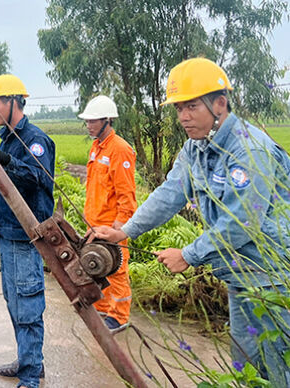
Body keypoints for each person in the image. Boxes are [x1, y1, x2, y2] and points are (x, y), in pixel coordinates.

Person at [92, 58, 290, 386]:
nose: (183, 116)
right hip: (240, 276)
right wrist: (123, 231)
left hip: (273, 278)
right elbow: (170, 193)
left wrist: (189, 254)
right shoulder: (196, 148)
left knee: (277, 369)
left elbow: (242, 220)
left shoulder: (248, 150)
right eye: (179, 108)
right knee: (247, 368)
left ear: (220, 104)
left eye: (192, 106)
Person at [0, 74, 55, 388]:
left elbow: (37, 179)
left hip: (28, 237)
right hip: (9, 233)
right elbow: (5, 190)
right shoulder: (8, 139)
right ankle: (27, 361)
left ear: (15, 101)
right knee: (13, 301)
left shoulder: (35, 140)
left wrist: (7, 161)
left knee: (27, 303)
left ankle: (30, 377)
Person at [78, 95, 137, 333]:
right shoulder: (96, 147)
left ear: (107, 120)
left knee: (117, 270)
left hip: (112, 224)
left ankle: (120, 316)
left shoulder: (120, 150)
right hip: (94, 221)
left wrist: (118, 229)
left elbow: (126, 196)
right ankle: (103, 309)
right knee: (97, 267)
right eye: (87, 121)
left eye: (93, 121)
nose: (89, 125)